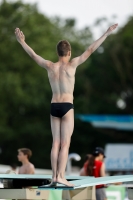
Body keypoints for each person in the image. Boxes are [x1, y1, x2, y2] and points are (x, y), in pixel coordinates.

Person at [15, 23, 118, 186]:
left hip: (54, 106)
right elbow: (90, 50)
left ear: (58, 53)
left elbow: (34, 56)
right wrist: (106, 33)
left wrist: (22, 42)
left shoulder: (50, 66)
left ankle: (54, 176)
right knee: (65, 144)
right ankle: (61, 176)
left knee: (55, 143)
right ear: (69, 53)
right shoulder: (72, 65)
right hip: (67, 107)